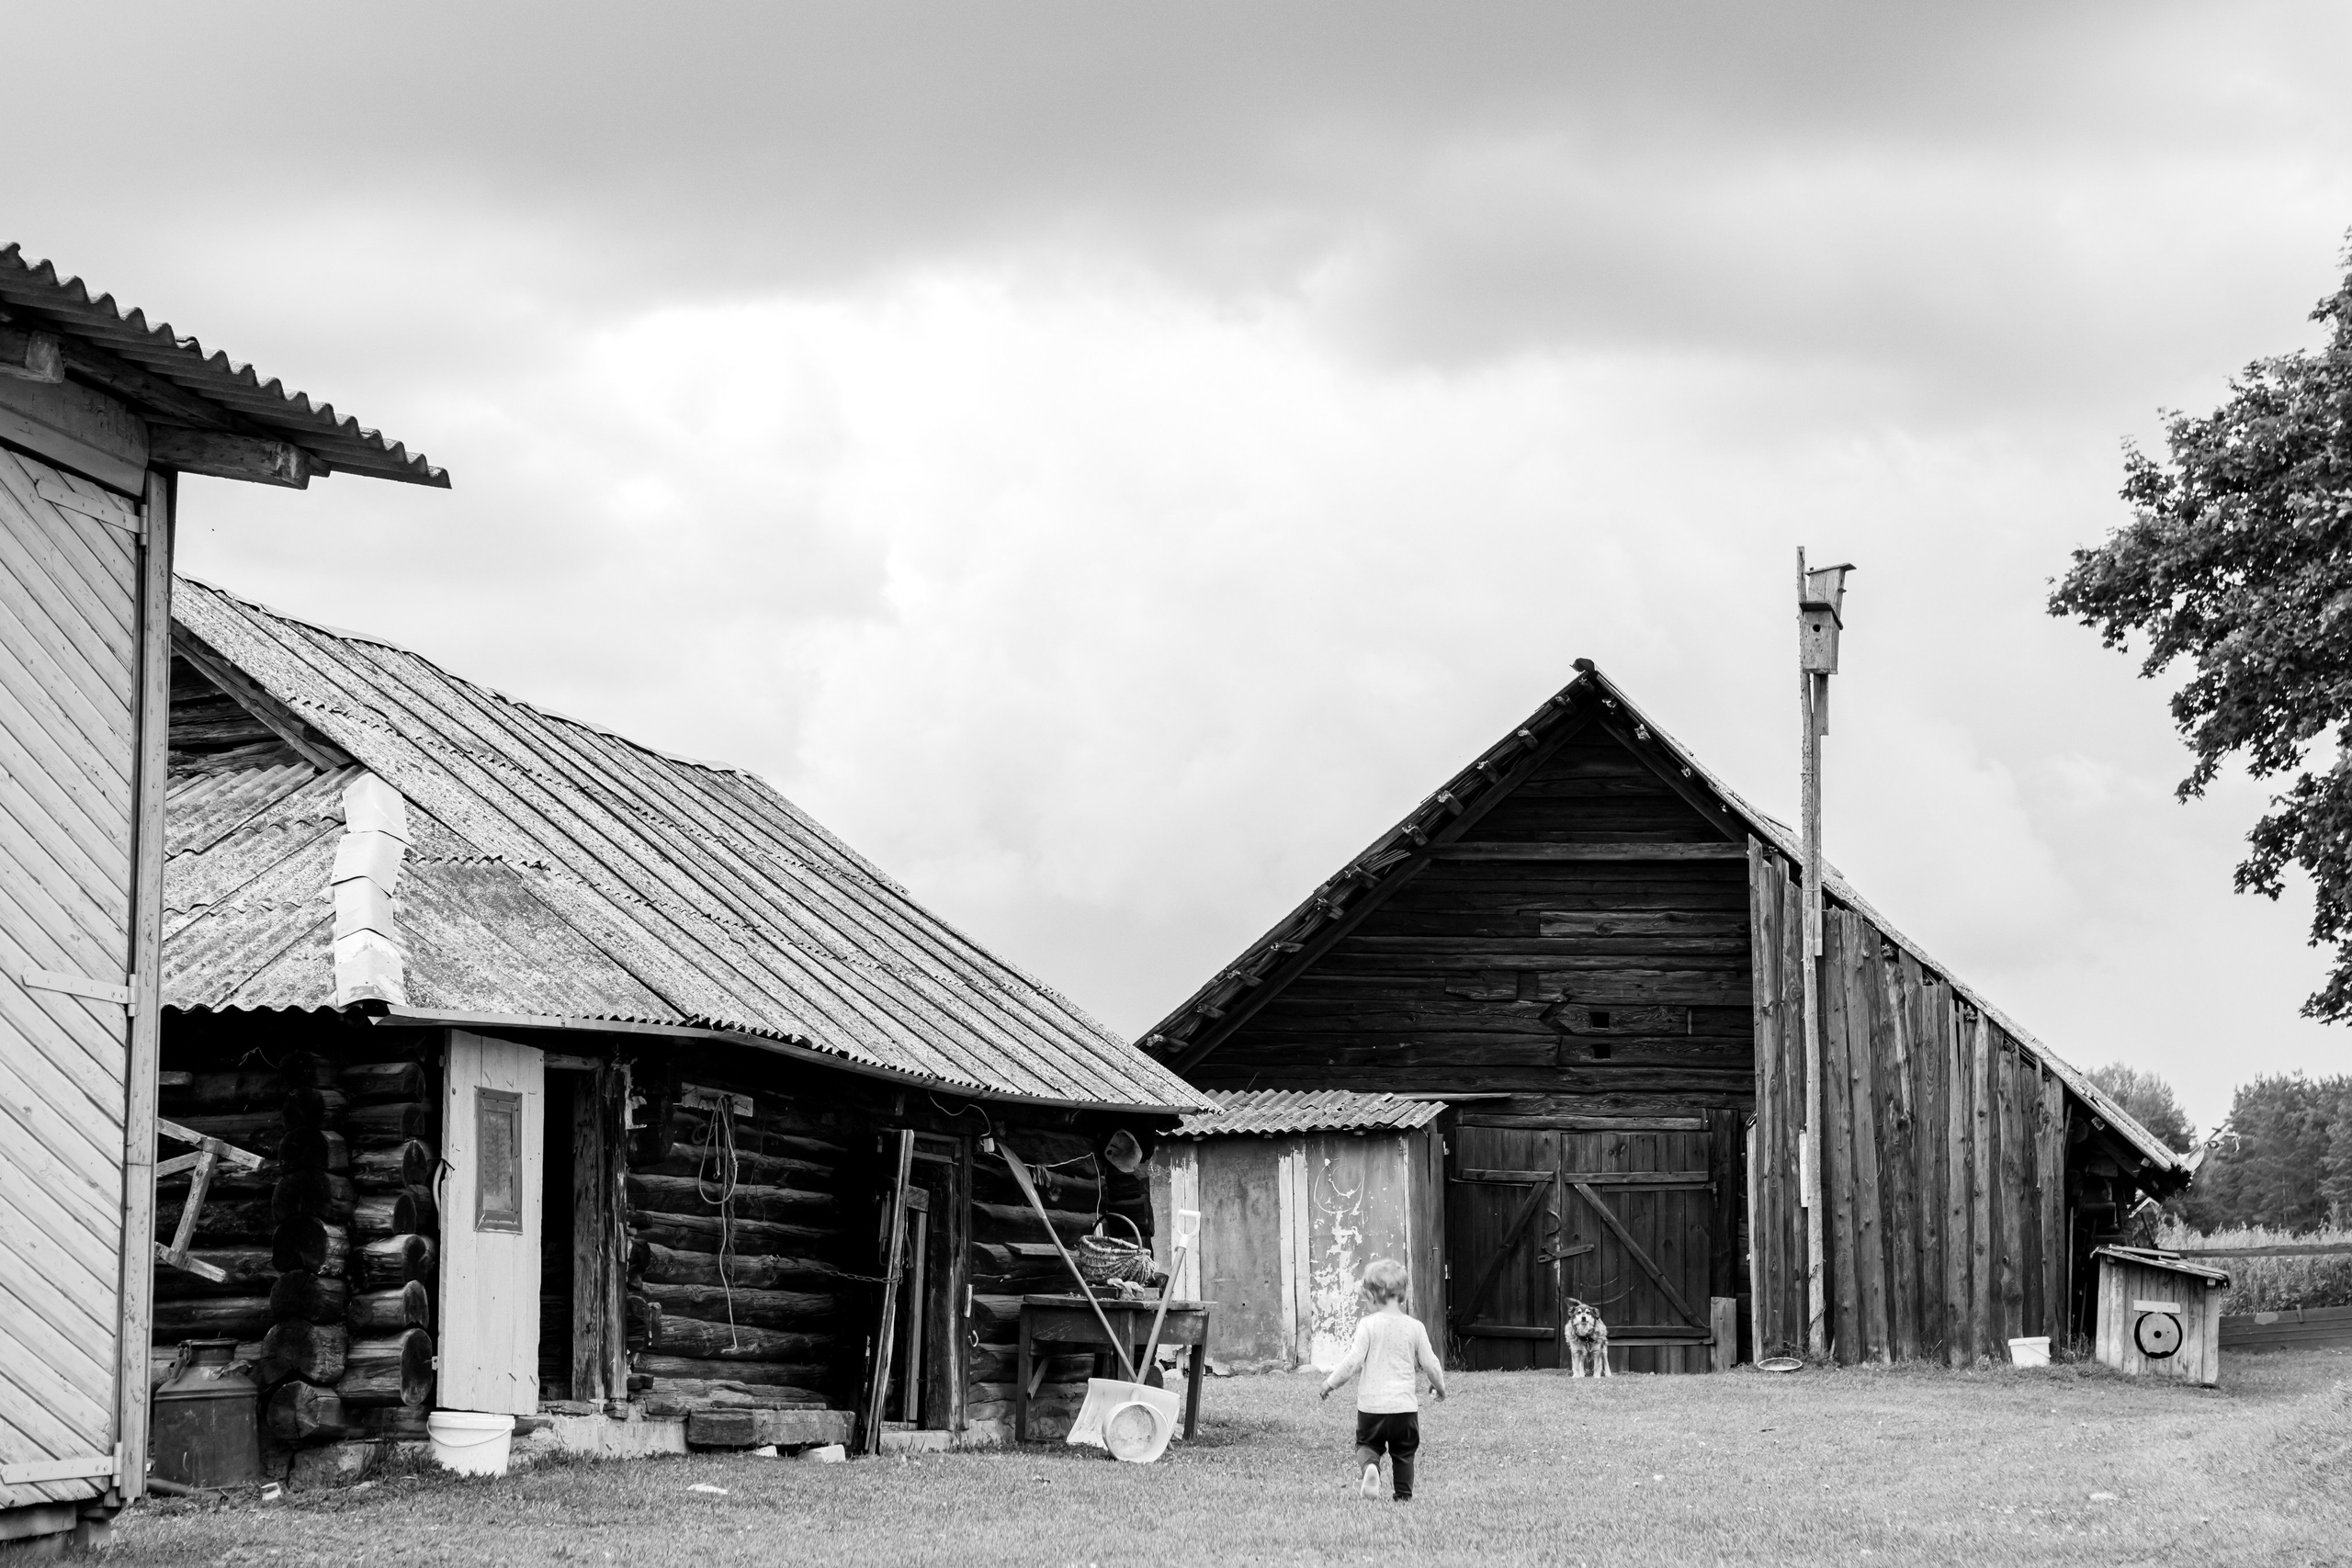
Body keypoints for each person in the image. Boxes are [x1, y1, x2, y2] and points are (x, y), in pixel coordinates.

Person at [1318, 1258, 1446, 1501]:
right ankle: (1403, 1495)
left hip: (1371, 1408)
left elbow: (1352, 1362)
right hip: (1404, 1408)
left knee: (1367, 1445)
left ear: (1372, 1296)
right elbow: (1430, 1363)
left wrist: (1330, 1383)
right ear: (1403, 1294)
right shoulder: (1415, 1327)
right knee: (1404, 1453)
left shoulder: (1368, 1325)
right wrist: (1439, 1387)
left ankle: (1370, 1468)